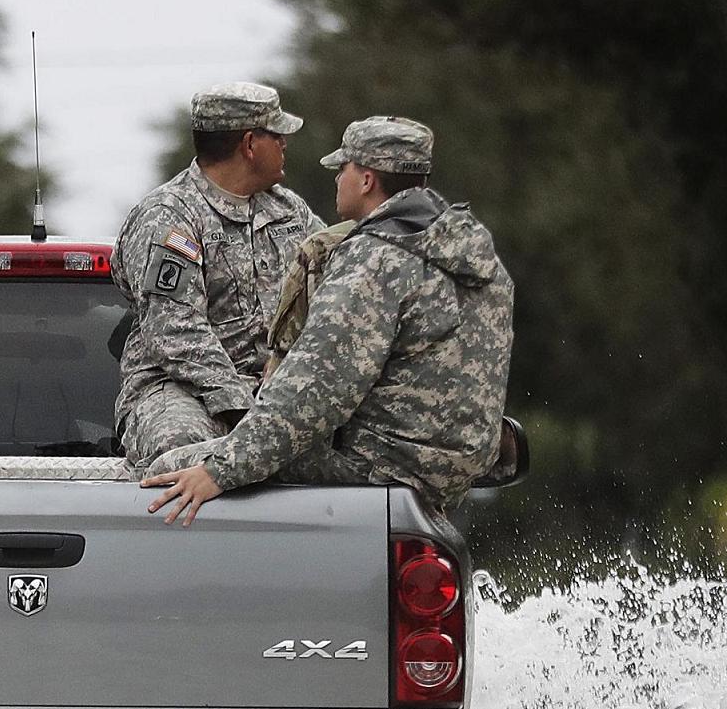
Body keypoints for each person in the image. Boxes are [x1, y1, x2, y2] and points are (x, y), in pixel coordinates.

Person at [144, 116, 514, 524]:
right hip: (450, 470)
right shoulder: (476, 255)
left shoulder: (375, 259)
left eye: (344, 169)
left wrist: (220, 471)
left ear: (367, 180)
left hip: (381, 463)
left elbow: (314, 391)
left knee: (171, 469)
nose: (338, 179)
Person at [112, 81, 324, 469]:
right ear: (249, 145)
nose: (284, 144)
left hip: (273, 388)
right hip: (181, 389)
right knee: (183, 449)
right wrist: (244, 413)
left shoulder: (290, 211)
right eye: (276, 135)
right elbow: (174, 331)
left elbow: (335, 284)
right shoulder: (171, 216)